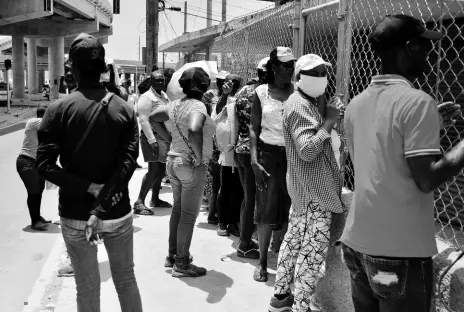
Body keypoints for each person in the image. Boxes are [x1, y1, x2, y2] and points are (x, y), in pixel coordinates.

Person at [340, 15, 464, 312]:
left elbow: (384, 147)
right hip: (397, 252)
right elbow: (427, 179)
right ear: (410, 47)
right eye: (424, 47)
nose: (430, 54)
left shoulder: (356, 103)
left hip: (357, 244)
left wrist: (432, 122)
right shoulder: (417, 101)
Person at [36, 33, 142, 311]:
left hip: (74, 214)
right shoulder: (125, 109)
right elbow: (128, 164)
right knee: (126, 280)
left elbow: (44, 165)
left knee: (87, 287)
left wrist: (90, 190)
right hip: (117, 211)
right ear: (104, 68)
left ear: (72, 68)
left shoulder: (57, 109)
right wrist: (103, 201)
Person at [269, 54, 346, 312]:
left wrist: (329, 115)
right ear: (298, 78)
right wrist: (330, 120)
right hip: (316, 191)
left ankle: (281, 297)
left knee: (293, 242)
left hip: (305, 189)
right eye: (314, 73)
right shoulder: (299, 105)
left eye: (324, 72)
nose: (321, 78)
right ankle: (301, 307)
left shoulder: (304, 102)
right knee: (311, 255)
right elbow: (308, 151)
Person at [151, 67, 216, 278]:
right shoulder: (197, 106)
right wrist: (198, 156)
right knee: (188, 216)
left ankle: (173, 256)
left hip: (173, 160)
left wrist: (168, 139)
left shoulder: (174, 104)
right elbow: (195, 129)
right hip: (190, 164)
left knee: (178, 212)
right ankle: (181, 263)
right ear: (204, 85)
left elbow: (154, 117)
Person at [250, 47, 295, 282]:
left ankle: (285, 265)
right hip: (267, 154)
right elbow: (253, 128)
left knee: (290, 209)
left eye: (292, 65)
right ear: (274, 67)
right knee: (265, 210)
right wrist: (254, 158)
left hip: (294, 156)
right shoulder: (261, 92)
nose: (290, 69)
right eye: (285, 65)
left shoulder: (299, 91)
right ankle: (262, 263)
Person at [234, 57, 269, 259]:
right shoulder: (261, 93)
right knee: (252, 200)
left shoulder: (244, 90)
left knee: (247, 198)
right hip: (252, 151)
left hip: (241, 148)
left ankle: (244, 237)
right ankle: (245, 244)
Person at [134, 70, 172, 215]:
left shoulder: (164, 96)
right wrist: (152, 141)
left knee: (161, 170)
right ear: (151, 81)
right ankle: (139, 202)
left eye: (162, 80)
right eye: (156, 80)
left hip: (163, 138)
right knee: (153, 170)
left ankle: (155, 199)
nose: (160, 83)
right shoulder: (147, 97)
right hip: (152, 139)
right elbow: (143, 120)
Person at [213, 74, 244, 237]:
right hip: (227, 155)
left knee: (239, 191)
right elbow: (218, 113)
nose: (233, 85)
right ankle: (223, 222)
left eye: (236, 82)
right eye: (230, 82)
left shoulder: (243, 98)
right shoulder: (223, 99)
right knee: (225, 190)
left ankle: (234, 222)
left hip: (241, 153)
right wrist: (225, 95)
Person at [16, 106, 51, 231]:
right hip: (26, 162)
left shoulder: (43, 128)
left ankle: (37, 216)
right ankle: (34, 221)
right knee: (33, 192)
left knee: (39, 190)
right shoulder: (34, 122)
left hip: (35, 163)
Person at [203, 70, 229, 224]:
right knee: (215, 180)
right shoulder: (210, 95)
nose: (221, 83)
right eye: (219, 80)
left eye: (224, 80)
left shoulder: (233, 96)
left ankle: (215, 210)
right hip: (214, 141)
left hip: (222, 142)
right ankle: (212, 212)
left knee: (219, 181)